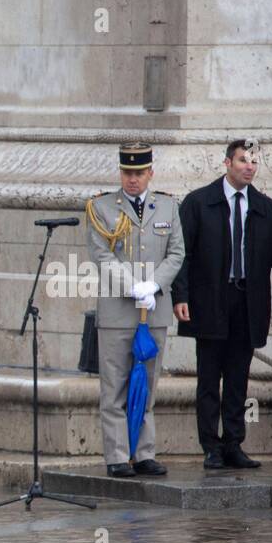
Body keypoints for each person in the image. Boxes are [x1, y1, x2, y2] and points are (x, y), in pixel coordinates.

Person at [177, 138, 272, 469]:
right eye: (243, 160)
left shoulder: (264, 207)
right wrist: (181, 297)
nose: (249, 167)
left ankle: (233, 442)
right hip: (210, 301)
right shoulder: (198, 203)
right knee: (209, 378)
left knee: (237, 377)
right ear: (227, 164)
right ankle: (210, 446)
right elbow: (182, 254)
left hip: (247, 302)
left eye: (253, 162)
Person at [85, 142, 186, 478]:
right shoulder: (102, 207)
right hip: (118, 312)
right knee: (114, 387)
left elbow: (176, 254)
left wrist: (154, 285)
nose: (133, 179)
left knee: (148, 385)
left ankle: (143, 453)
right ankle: (117, 455)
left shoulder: (168, 207)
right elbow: (102, 256)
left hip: (154, 310)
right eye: (127, 172)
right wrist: (133, 287)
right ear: (121, 173)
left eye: (139, 173)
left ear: (150, 173)